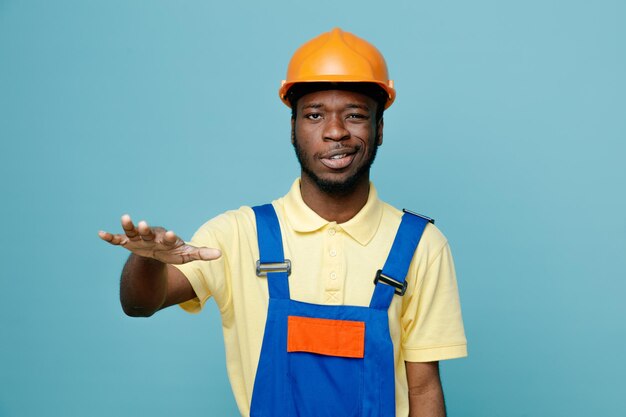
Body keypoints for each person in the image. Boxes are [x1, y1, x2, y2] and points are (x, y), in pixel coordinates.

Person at [99, 28, 467, 417]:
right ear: (293, 128)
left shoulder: (421, 245)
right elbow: (139, 304)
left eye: (356, 115)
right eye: (314, 115)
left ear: (379, 130)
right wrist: (149, 258)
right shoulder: (238, 235)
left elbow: (424, 390)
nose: (335, 130)